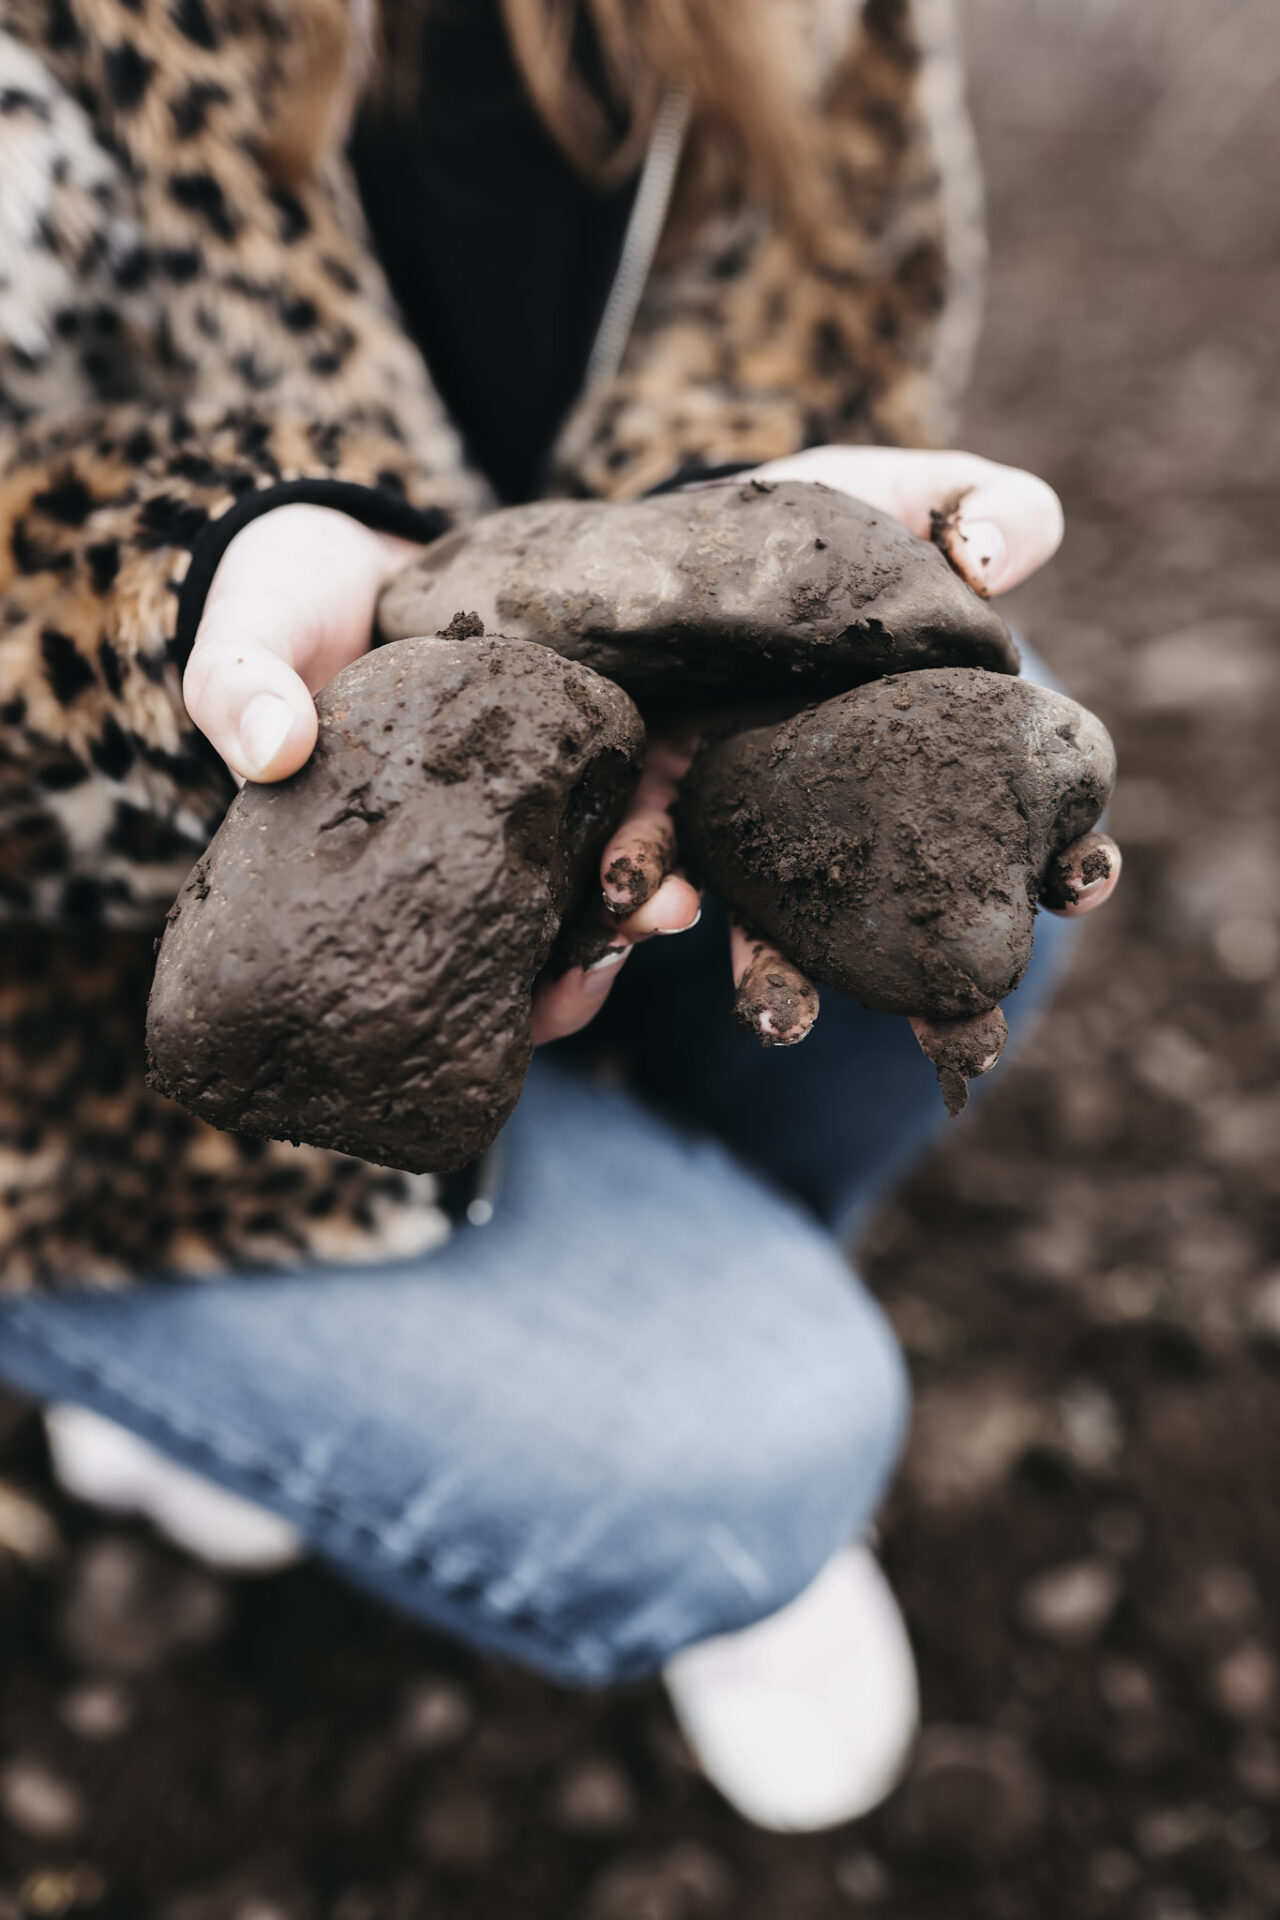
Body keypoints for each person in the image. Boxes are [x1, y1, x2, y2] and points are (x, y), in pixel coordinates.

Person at [0, 0, 1120, 1833]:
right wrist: (181, 600)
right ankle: (298, 1366)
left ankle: (615, 1256)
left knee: (980, 764)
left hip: (572, 851)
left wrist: (725, 556)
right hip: (59, 1031)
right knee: (750, 1460)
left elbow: (804, 396)